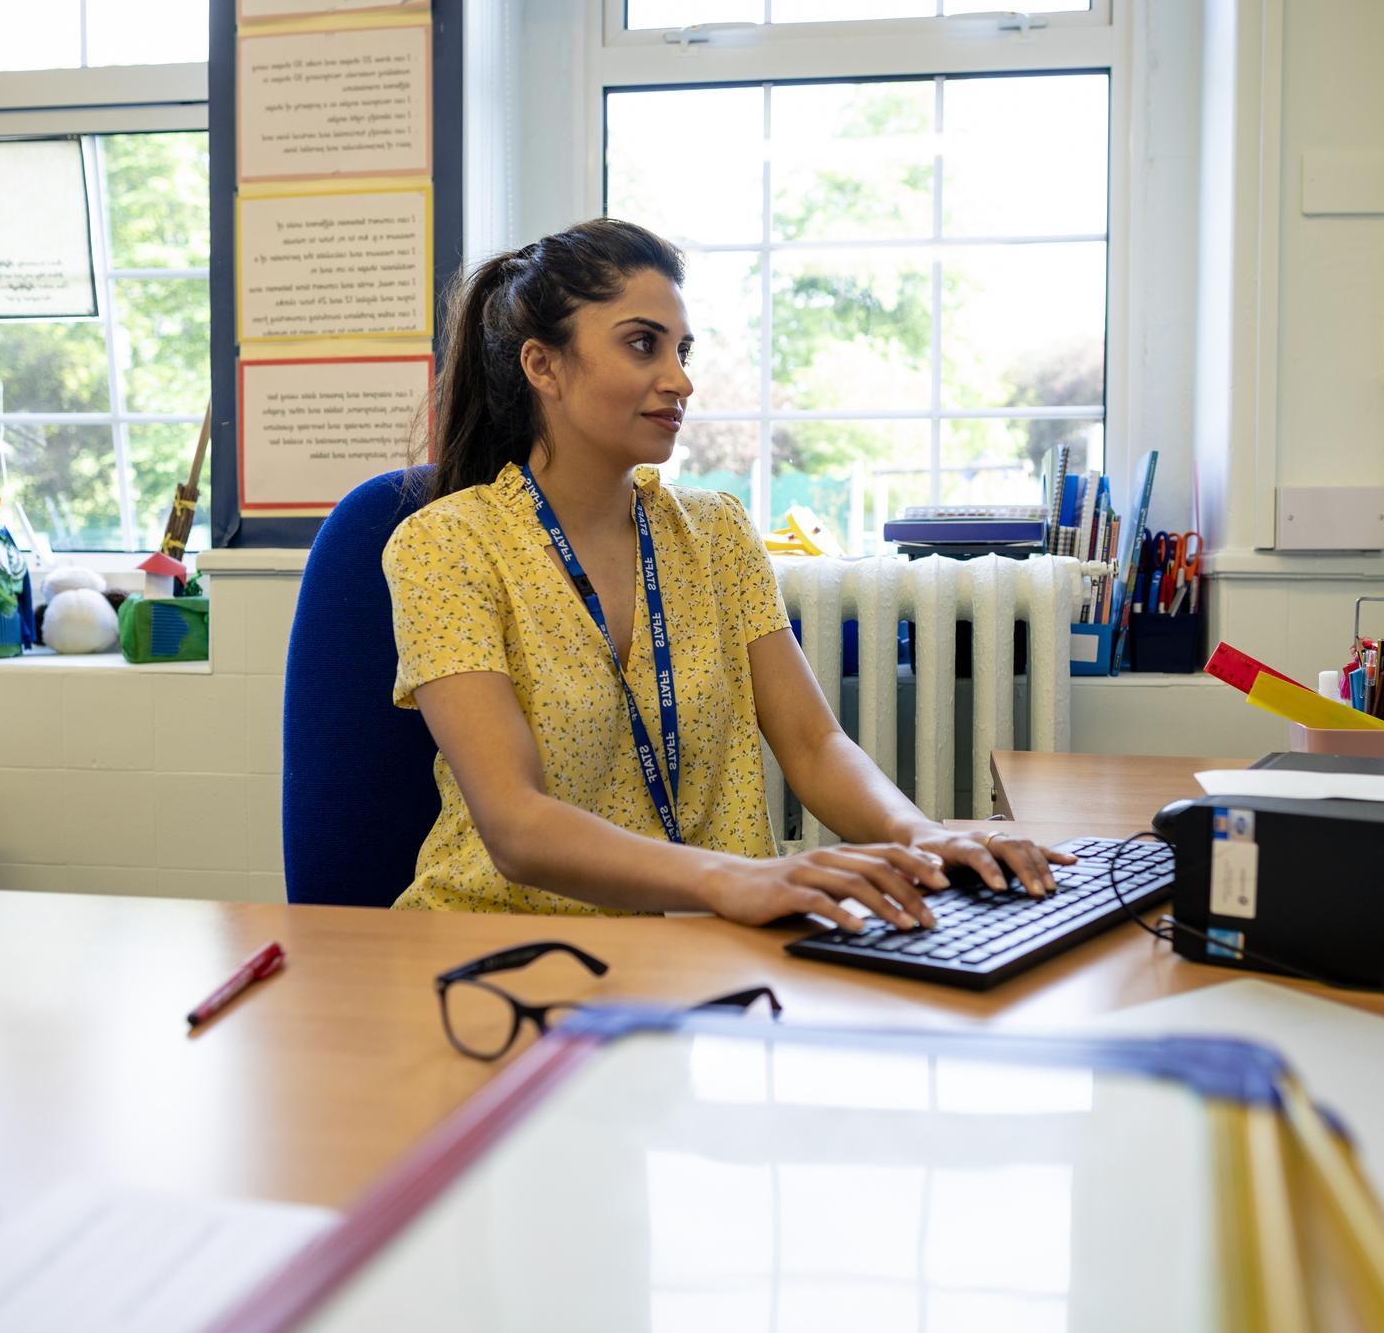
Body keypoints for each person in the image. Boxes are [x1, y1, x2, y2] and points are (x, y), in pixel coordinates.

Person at [383, 218, 1070, 932]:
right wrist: (733, 877)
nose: (679, 379)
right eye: (642, 344)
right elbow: (515, 826)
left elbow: (813, 745)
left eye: (682, 350)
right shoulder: (446, 546)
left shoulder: (714, 532)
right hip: (507, 944)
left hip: (702, 940)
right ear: (542, 365)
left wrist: (921, 836)